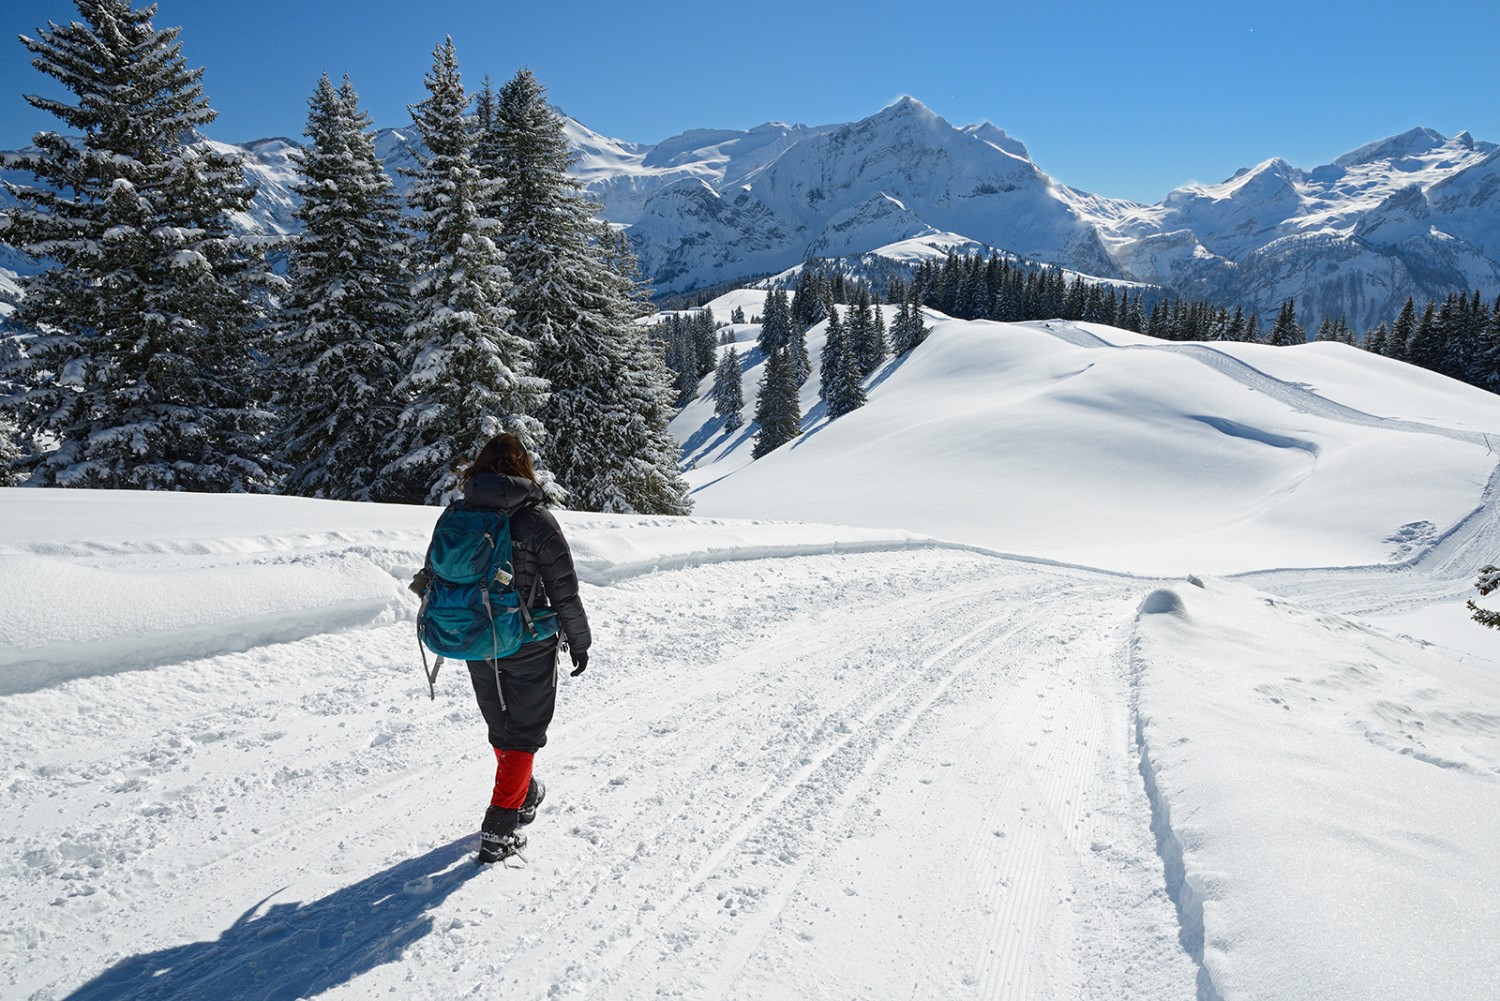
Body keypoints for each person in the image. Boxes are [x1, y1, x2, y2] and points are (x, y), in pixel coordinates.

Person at [448, 433, 591, 863]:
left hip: (477, 640)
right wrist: (579, 641)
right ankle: (499, 830)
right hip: (528, 642)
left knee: (502, 727)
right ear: (522, 469)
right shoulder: (535, 519)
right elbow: (563, 590)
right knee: (524, 734)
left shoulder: (461, 514)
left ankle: (523, 793)